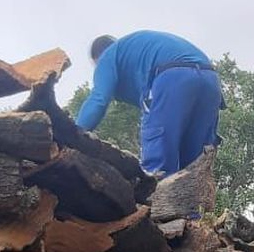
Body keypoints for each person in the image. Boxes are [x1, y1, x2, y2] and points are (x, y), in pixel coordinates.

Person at [73, 31, 222, 177]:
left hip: (173, 78)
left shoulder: (108, 56)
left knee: (157, 168)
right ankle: (194, 201)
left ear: (96, 59)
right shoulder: (137, 51)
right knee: (194, 170)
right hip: (211, 81)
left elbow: (98, 99)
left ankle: (153, 197)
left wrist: (72, 135)